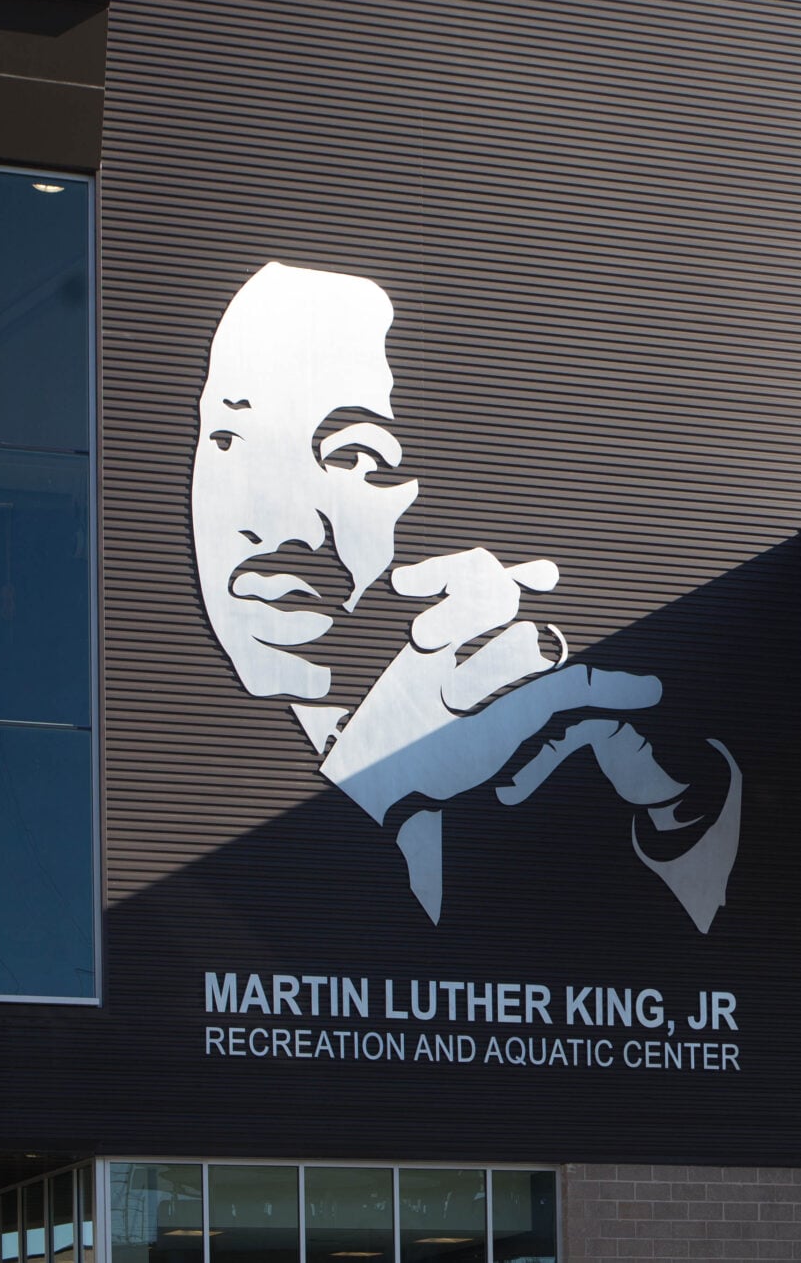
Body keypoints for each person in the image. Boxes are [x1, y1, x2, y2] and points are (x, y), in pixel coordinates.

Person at [189, 261, 741, 927]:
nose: (276, 519)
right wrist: (379, 779)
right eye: (229, 440)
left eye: (353, 457)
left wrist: (678, 804)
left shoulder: (536, 742)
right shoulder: (137, 764)